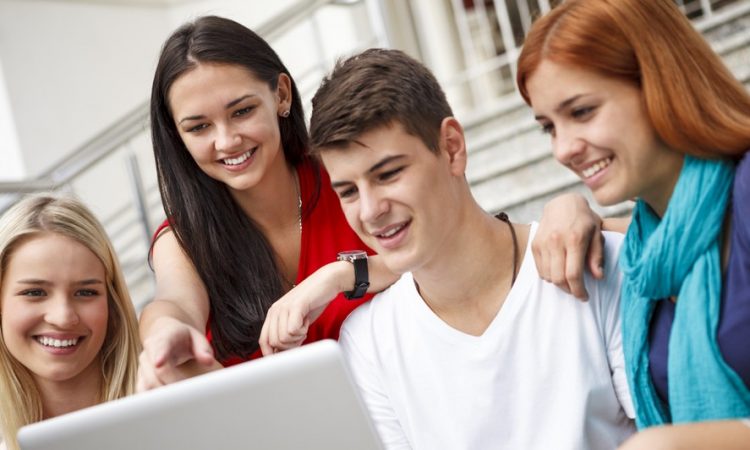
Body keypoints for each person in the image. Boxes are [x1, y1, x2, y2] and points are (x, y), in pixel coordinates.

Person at [307, 47, 635, 449]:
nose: (371, 210)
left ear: (451, 147)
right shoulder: (367, 343)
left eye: (389, 173)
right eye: (348, 191)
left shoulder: (594, 263)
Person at [515, 0, 750, 448]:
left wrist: (671, 445)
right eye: (548, 126)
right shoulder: (648, 250)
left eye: (581, 111)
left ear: (661, 82)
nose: (563, 149)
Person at [138, 15, 397, 389]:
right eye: (199, 127)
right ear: (177, 136)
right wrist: (165, 332)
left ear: (281, 95)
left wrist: (338, 277)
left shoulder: (340, 175)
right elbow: (175, 302)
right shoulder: (182, 239)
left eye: (242, 111)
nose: (226, 141)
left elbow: (430, 255)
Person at [0, 194, 140, 450]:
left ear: (111, 303)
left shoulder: (171, 393)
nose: (63, 317)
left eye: (86, 293)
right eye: (34, 292)